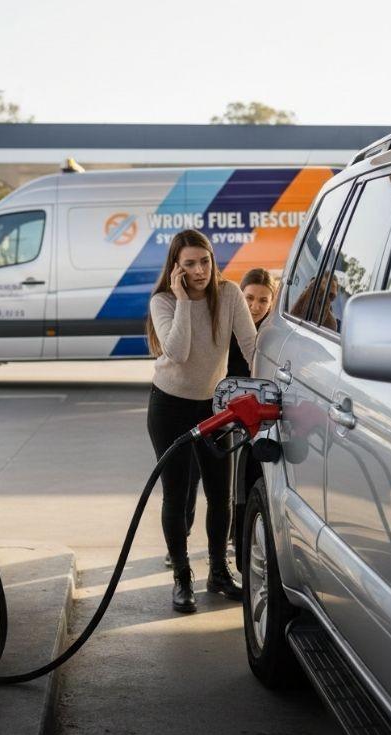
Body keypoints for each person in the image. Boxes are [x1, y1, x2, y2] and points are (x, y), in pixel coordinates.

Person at [146, 229, 257, 613]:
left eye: (205, 261)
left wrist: (268, 389)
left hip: (214, 406)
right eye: (190, 264)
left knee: (220, 494)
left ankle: (218, 572)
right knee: (177, 495)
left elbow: (251, 344)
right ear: (176, 269)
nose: (199, 270)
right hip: (170, 407)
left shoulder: (228, 295)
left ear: (213, 259)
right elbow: (176, 352)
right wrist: (182, 301)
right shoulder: (163, 301)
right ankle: (181, 577)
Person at [227, 268, 277, 377]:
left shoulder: (274, 334)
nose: (255, 307)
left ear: (271, 303)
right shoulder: (224, 323)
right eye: (249, 298)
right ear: (239, 297)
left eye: (263, 300)